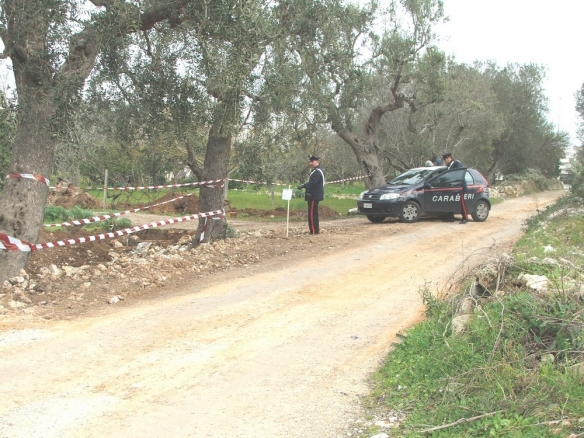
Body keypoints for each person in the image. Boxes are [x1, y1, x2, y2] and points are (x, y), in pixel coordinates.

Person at [297, 155, 325, 235]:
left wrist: (304, 185)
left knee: (312, 214)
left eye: (312, 162)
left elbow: (313, 183)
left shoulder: (317, 172)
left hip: (314, 195)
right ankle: (315, 231)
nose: (310, 163)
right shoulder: (316, 170)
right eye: (310, 162)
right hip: (313, 195)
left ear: (316, 162)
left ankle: (313, 231)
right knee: (313, 213)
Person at [441, 152, 468, 224]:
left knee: (462, 203)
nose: (445, 161)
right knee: (451, 202)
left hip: (460, 186)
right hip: (452, 187)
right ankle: (450, 216)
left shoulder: (456, 163)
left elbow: (459, 175)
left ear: (448, 158)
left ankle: (465, 217)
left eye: (445, 159)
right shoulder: (449, 165)